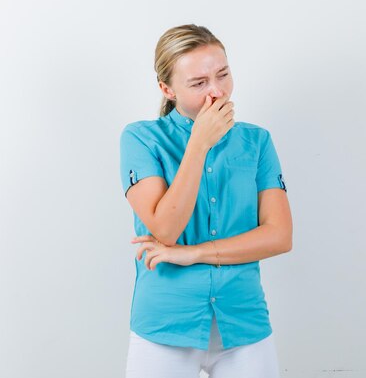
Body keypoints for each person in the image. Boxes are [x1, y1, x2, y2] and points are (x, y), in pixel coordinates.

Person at [119, 24, 293, 378]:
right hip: (165, 325)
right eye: (198, 83)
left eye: (223, 75)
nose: (217, 92)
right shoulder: (141, 139)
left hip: (244, 323)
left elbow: (279, 237)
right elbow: (166, 228)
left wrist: (193, 252)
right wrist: (199, 143)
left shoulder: (257, 142)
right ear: (166, 89)